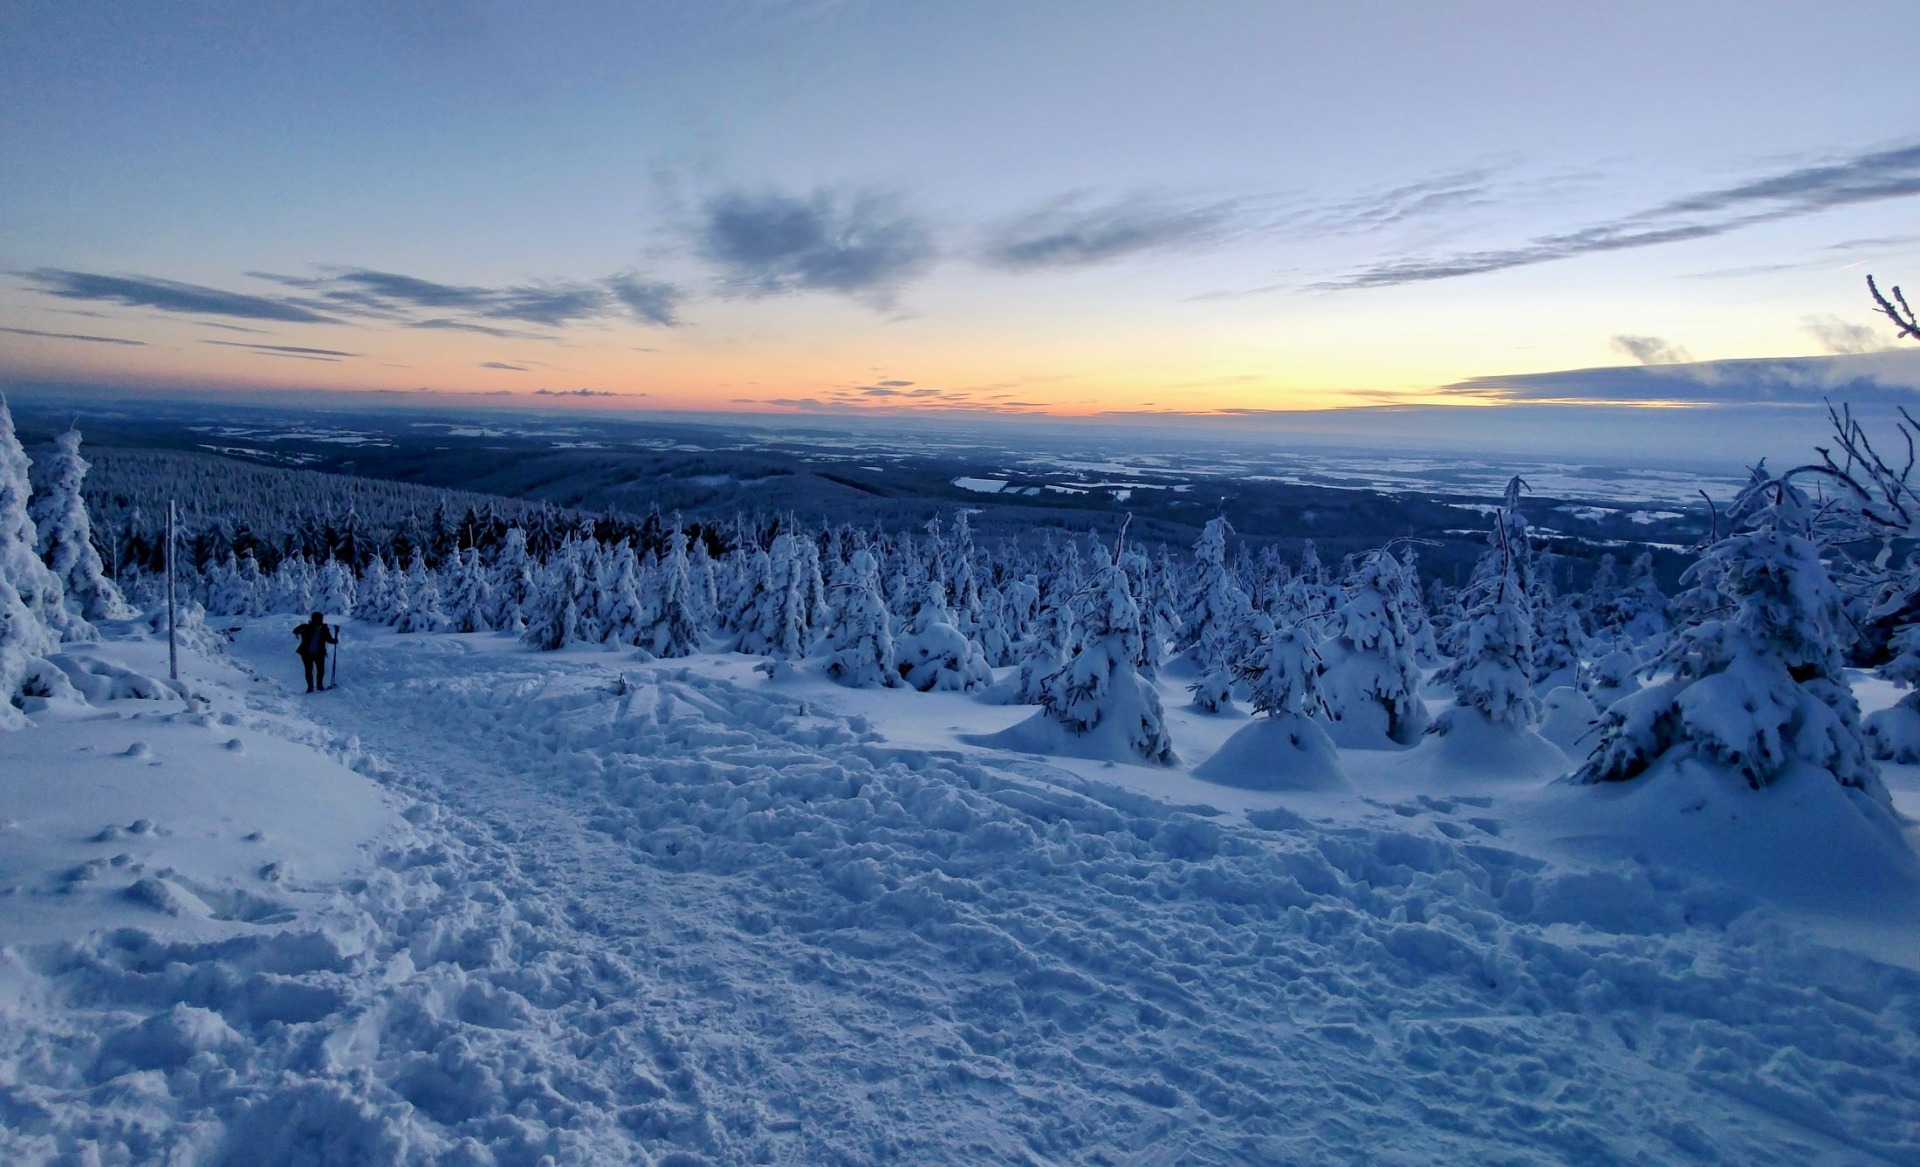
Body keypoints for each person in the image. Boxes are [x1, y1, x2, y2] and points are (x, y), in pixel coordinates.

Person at [295, 612, 337, 692]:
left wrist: (334, 640)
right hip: (309, 653)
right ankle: (315, 686)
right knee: (314, 670)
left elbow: (329, 639)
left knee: (314, 670)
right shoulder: (308, 627)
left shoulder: (322, 629)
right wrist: (335, 640)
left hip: (315, 653)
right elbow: (296, 631)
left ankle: (314, 687)